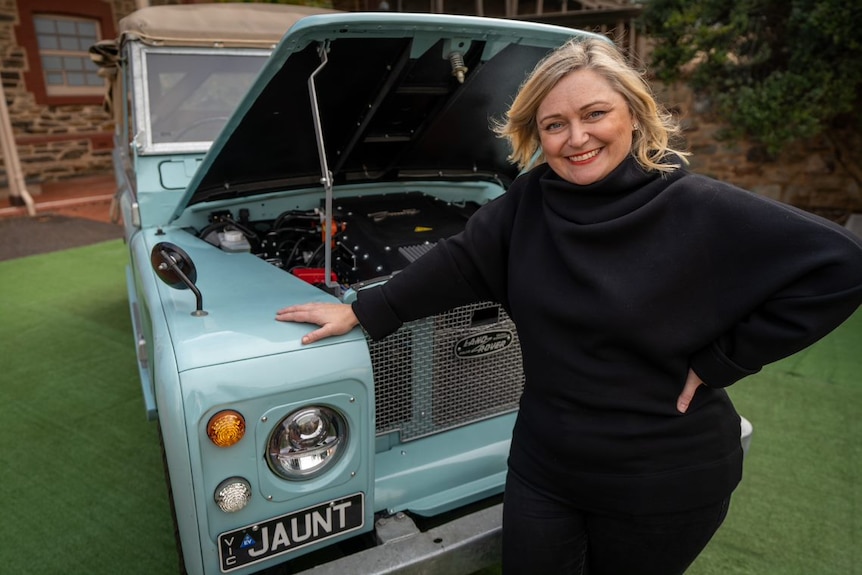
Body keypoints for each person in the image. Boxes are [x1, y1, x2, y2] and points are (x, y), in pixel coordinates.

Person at [276, 38, 862, 574]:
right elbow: (458, 263)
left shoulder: (698, 206)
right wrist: (364, 311)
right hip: (546, 467)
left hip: (664, 477)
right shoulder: (528, 202)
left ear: (633, 113)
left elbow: (841, 263)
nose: (576, 138)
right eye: (554, 124)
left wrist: (724, 361)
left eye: (594, 114)